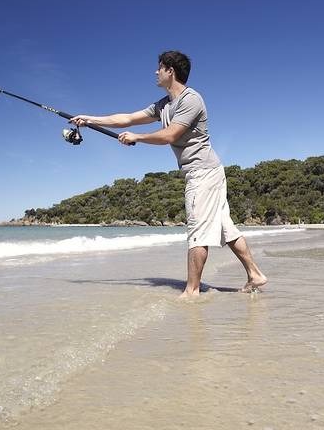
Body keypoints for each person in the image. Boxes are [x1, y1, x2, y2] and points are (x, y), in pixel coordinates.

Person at [70, 50, 267, 298]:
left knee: (197, 232)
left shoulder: (191, 100)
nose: (156, 72)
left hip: (202, 172)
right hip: (207, 171)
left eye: (159, 67)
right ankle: (255, 274)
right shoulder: (163, 105)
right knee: (225, 228)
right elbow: (128, 118)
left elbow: (170, 135)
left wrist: (138, 138)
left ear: (170, 71)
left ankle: (191, 291)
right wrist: (89, 120)